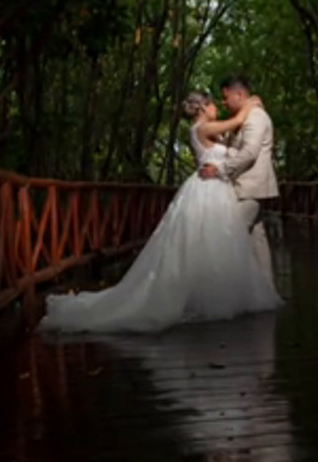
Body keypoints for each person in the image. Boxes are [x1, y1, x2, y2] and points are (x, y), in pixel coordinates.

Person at [39, 89, 281, 333]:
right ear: (203, 108)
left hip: (215, 188)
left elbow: (231, 136)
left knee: (210, 242)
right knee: (213, 240)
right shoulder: (202, 128)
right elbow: (238, 121)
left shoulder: (206, 130)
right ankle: (206, 294)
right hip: (208, 188)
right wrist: (252, 103)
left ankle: (213, 291)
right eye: (213, 105)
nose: (218, 107)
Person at [200, 75, 279, 286]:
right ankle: (266, 291)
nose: (223, 102)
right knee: (256, 239)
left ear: (240, 94)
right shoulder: (244, 117)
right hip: (246, 188)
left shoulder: (256, 117)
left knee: (227, 236)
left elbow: (250, 152)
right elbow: (232, 145)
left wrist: (220, 169)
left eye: (226, 98)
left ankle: (217, 292)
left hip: (251, 188)